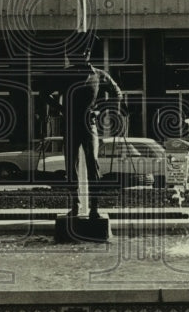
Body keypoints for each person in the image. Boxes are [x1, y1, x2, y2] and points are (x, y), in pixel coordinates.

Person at [36, 32, 126, 219]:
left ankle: (94, 208)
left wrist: (103, 109)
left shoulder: (99, 75)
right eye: (78, 52)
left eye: (85, 51)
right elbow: (43, 93)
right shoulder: (64, 74)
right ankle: (75, 206)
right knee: (71, 168)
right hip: (69, 125)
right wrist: (60, 108)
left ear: (88, 54)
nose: (81, 55)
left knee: (93, 166)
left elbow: (117, 92)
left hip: (89, 125)